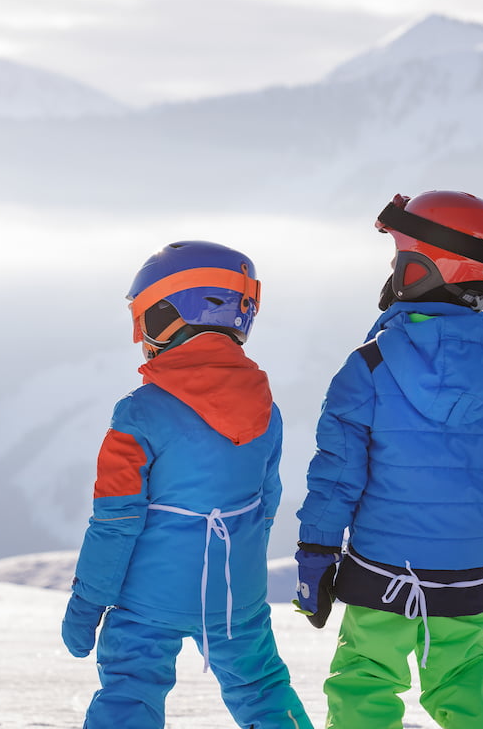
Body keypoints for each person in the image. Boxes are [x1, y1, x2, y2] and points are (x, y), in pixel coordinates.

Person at [294, 190, 483, 729]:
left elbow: (337, 476)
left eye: (400, 257)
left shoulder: (369, 365)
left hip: (381, 573)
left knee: (364, 680)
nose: (392, 269)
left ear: (424, 267)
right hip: (469, 576)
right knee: (470, 686)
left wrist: (316, 552)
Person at [61, 240, 314, 729]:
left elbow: (115, 519)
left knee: (130, 690)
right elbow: (266, 507)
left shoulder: (139, 412)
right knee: (262, 689)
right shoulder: (268, 410)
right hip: (234, 595)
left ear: (167, 316)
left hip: (147, 598)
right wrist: (241, 582)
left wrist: (88, 600)